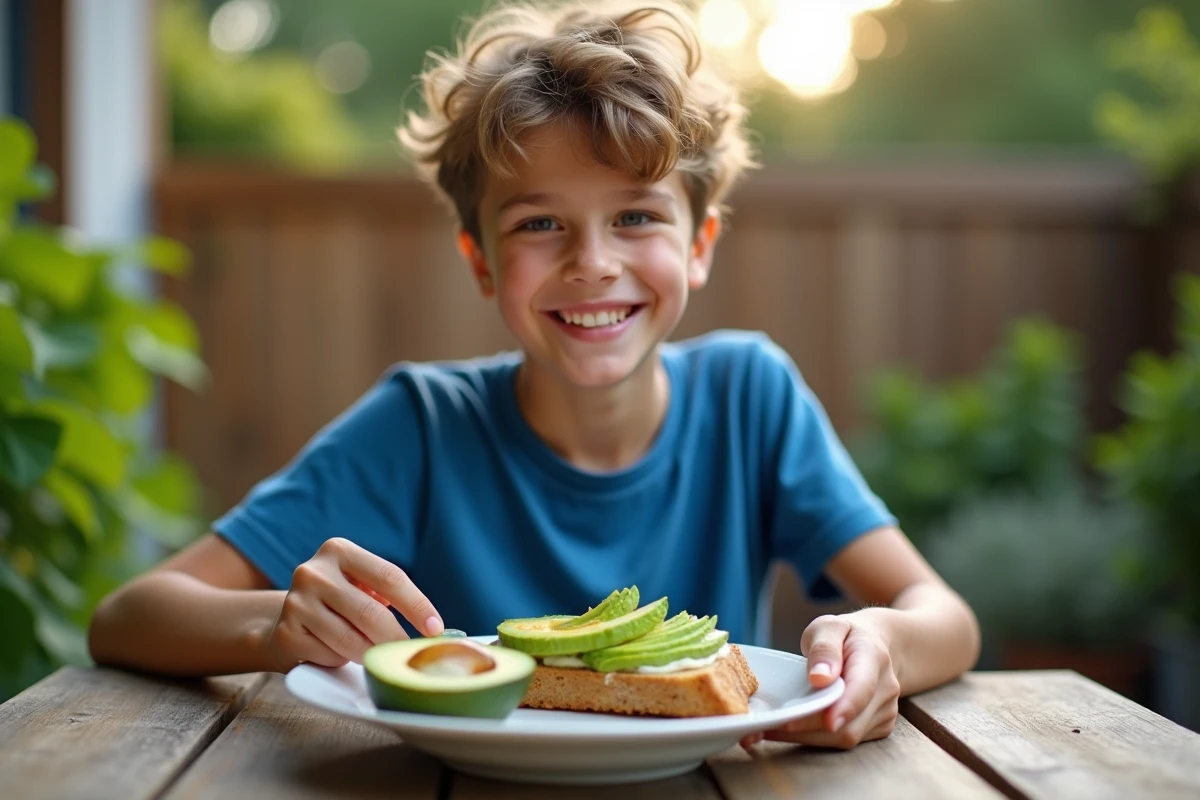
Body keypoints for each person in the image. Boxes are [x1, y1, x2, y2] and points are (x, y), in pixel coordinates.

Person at [88, 0, 980, 750]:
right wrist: (273, 624)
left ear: (699, 244)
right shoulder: (421, 425)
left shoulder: (753, 396)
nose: (593, 263)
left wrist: (876, 639)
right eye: (539, 225)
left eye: (635, 215)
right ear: (479, 260)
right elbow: (130, 614)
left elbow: (942, 615)